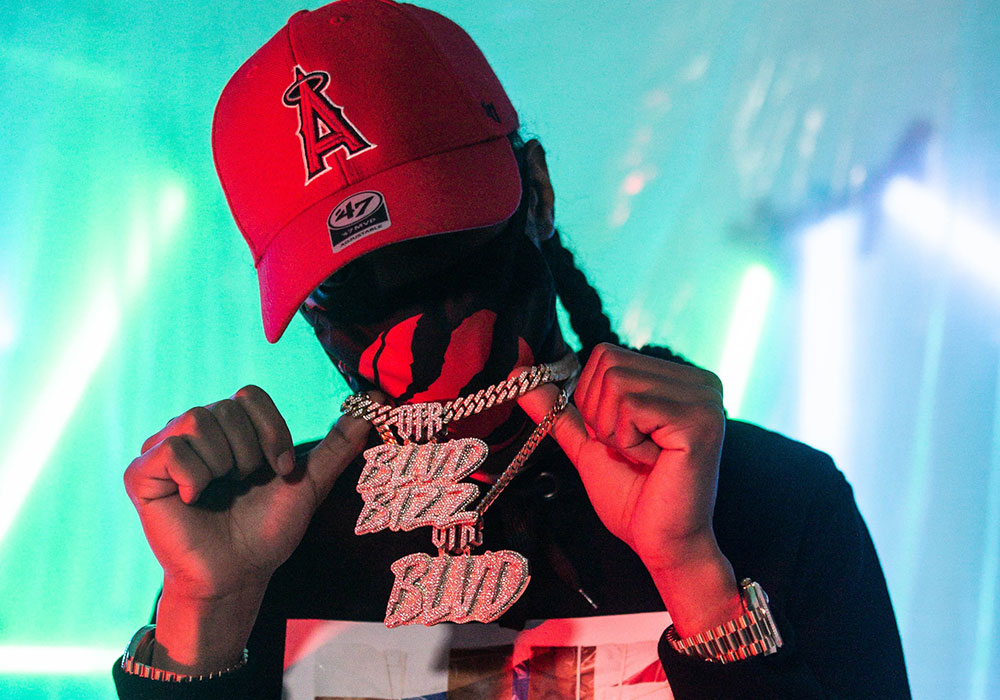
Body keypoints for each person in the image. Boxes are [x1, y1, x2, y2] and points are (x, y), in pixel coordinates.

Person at [113, 1, 911, 698]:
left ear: (537, 190)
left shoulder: (769, 501)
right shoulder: (262, 550)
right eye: (350, 282)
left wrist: (694, 577)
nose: (408, 307)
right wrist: (206, 619)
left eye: (438, 240)